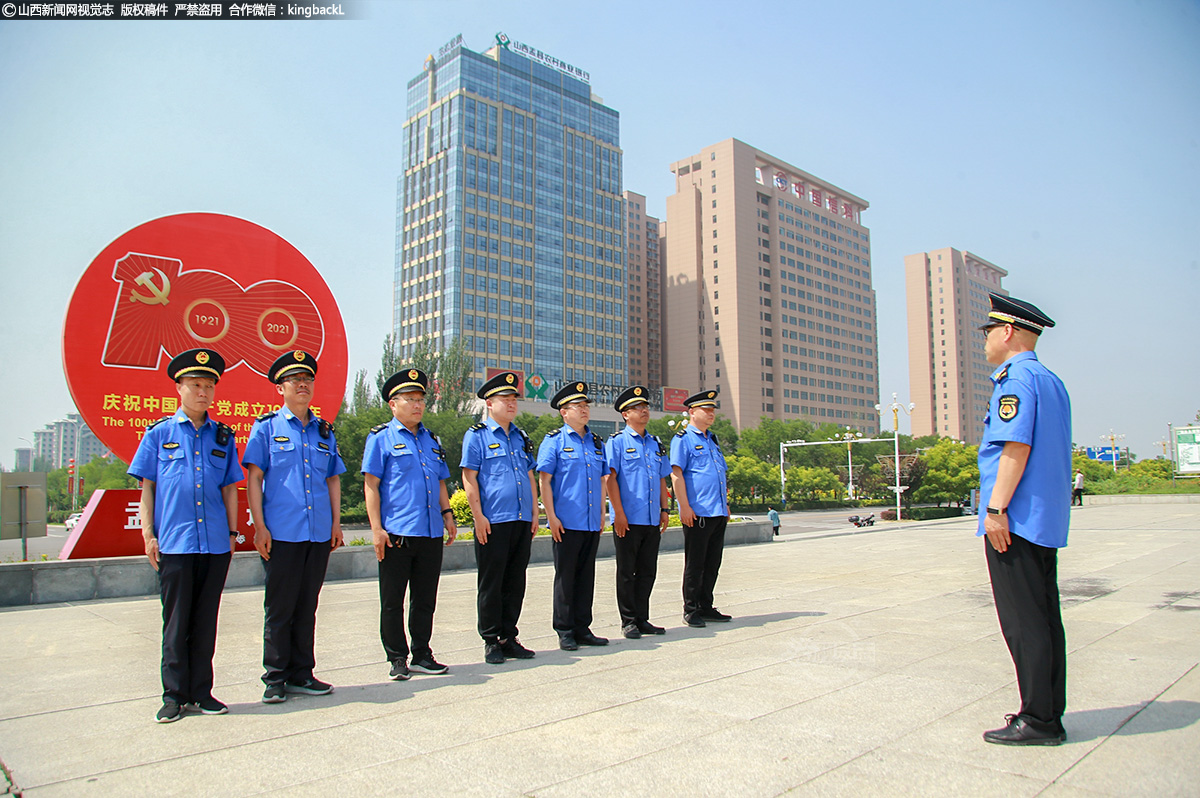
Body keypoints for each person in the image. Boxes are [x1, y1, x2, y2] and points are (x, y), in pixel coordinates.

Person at [128, 348, 243, 724]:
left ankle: (201, 691)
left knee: (205, 620)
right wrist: (148, 534)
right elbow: (148, 487)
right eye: (195, 385)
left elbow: (230, 489)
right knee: (176, 622)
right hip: (175, 543)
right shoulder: (160, 434)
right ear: (179, 388)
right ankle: (173, 694)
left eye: (209, 385)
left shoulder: (222, 437)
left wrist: (231, 533)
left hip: (213, 542)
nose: (203, 392)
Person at [977, 293, 1072, 746]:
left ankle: (1037, 719)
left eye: (989, 331)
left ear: (1009, 331)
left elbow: (1015, 446)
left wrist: (996, 509)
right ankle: (1047, 710)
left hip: (1014, 520)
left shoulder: (1014, 380)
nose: (986, 340)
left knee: (1023, 622)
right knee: (1044, 617)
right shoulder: (1049, 379)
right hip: (1043, 519)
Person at [243, 351, 346, 704]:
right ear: (280, 388)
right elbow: (254, 478)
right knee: (280, 606)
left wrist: (335, 523)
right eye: (294, 380)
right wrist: (260, 526)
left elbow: (333, 480)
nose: (302, 385)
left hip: (317, 532)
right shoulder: (267, 428)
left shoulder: (323, 430)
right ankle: (274, 677)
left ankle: (302, 672)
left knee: (307, 605)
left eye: (308, 380)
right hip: (282, 532)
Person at [362, 368, 457, 681]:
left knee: (425, 598)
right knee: (392, 600)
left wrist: (447, 514)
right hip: (397, 533)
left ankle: (422, 652)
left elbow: (441, 481)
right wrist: (376, 529)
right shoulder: (380, 439)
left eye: (420, 399)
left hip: (429, 531)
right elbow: (371, 485)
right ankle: (397, 657)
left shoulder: (431, 440)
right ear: (393, 404)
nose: (417, 405)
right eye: (410, 399)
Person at [461, 371, 538, 665]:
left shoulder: (521, 437)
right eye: (504, 399)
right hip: (493, 520)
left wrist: (534, 513)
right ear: (489, 403)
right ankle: (491, 639)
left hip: (520, 519)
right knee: (491, 582)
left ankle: (509, 636)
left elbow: (529, 476)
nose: (511, 403)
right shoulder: (477, 436)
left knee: (515, 581)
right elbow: (470, 477)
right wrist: (477, 516)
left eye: (513, 399)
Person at [537, 381, 608, 651]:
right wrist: (551, 517)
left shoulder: (597, 442)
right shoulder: (554, 441)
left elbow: (602, 481)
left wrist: (602, 513)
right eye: (577, 406)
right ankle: (564, 629)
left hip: (590, 521)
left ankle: (582, 627)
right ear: (563, 412)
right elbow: (545, 480)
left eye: (585, 405)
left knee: (586, 576)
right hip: (566, 522)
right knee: (565, 577)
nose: (584, 410)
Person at [603, 385, 671, 639]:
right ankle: (628, 620)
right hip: (628, 520)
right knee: (627, 571)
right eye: (637, 408)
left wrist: (665, 509)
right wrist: (617, 513)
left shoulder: (655, 444)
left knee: (647, 571)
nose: (644, 411)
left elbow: (662, 479)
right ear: (625, 414)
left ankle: (643, 618)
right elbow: (611, 479)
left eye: (645, 407)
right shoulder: (617, 443)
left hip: (652, 518)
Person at [670, 389, 732, 628]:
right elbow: (676, 474)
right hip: (698, 513)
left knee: (713, 562)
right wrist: (683, 507)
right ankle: (691, 608)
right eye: (706, 410)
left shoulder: (712, 440)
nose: (711, 414)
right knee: (695, 563)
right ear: (691, 412)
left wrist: (725, 505)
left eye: (712, 410)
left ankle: (706, 605)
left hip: (717, 512)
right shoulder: (683, 439)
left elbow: (718, 475)